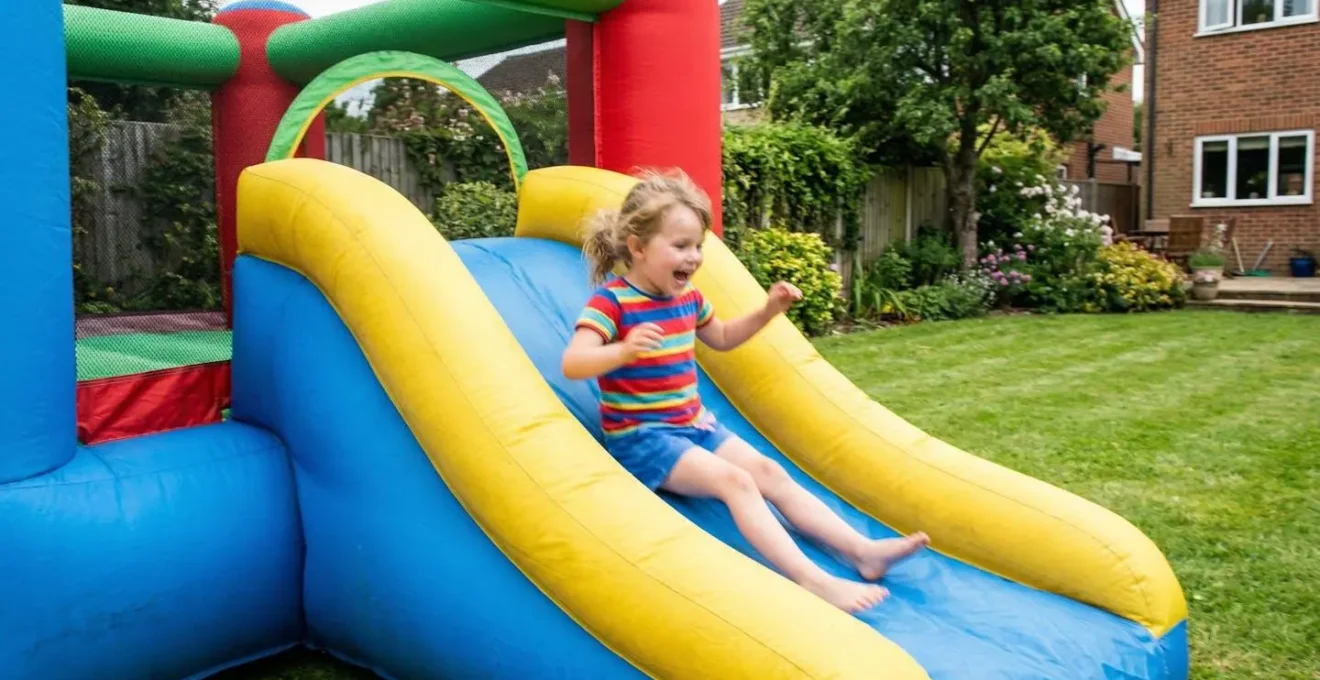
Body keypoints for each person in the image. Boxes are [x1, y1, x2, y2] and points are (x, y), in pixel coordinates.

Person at [561, 170, 928, 614]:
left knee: (769, 471)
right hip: (644, 438)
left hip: (694, 426)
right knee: (735, 482)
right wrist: (622, 349)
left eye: (697, 246)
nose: (693, 257)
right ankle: (813, 580)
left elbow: (723, 337)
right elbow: (574, 362)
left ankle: (861, 552)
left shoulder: (687, 298)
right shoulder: (613, 302)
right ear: (637, 248)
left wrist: (769, 311)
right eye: (680, 246)